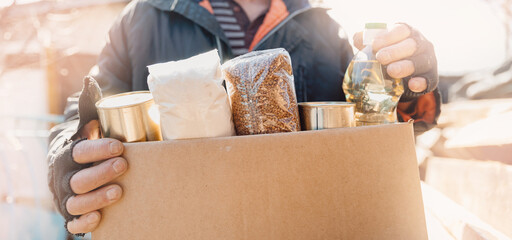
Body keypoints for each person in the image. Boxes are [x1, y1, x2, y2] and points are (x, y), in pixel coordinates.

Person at [47, 0, 441, 236]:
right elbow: (82, 113)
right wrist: (68, 157)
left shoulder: (323, 28)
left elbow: (378, 121)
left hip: (298, 230)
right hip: (180, 230)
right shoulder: (144, 18)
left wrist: (410, 81)